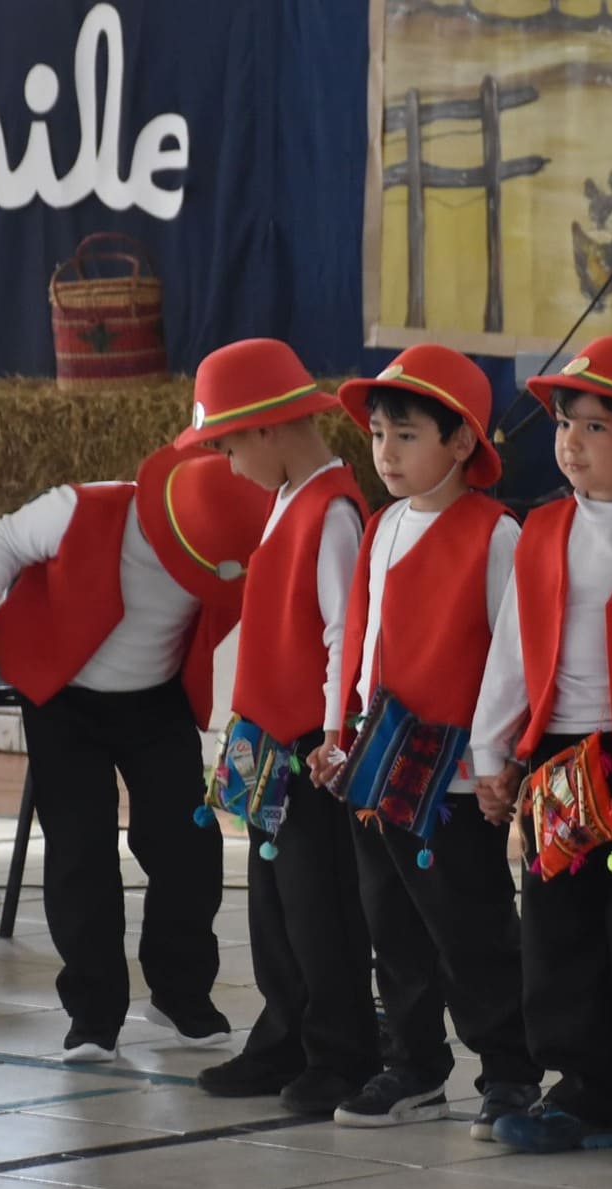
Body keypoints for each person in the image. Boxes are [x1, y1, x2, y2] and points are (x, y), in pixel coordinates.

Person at [0, 444, 271, 1063]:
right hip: (63, 700)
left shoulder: (226, 548)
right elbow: (0, 540)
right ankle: (93, 1014)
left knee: (189, 846)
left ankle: (181, 995)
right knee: (81, 852)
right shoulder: (80, 508)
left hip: (158, 702)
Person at [309, 345, 541, 1136]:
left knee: (471, 929)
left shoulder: (495, 533)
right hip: (378, 772)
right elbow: (365, 644)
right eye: (377, 435)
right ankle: (412, 1066)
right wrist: (340, 735)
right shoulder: (378, 526)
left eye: (406, 435)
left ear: (463, 442)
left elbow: (514, 655)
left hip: (452, 779)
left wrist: (497, 760)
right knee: (393, 929)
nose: (386, 453)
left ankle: (509, 1070)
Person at [469, 335, 612, 1155]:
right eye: (565, 422)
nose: (569, 442)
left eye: (595, 427)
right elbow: (513, 648)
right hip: (563, 759)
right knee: (558, 930)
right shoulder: (543, 528)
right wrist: (495, 755)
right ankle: (582, 1089)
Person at [176, 338, 382, 1114]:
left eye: (227, 445)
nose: (227, 463)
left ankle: (341, 1051)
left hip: (309, 748)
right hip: (269, 742)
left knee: (320, 904)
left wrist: (334, 735)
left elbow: (344, 636)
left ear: (266, 428)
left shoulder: (331, 512)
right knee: (274, 903)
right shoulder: (290, 502)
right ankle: (284, 1036)